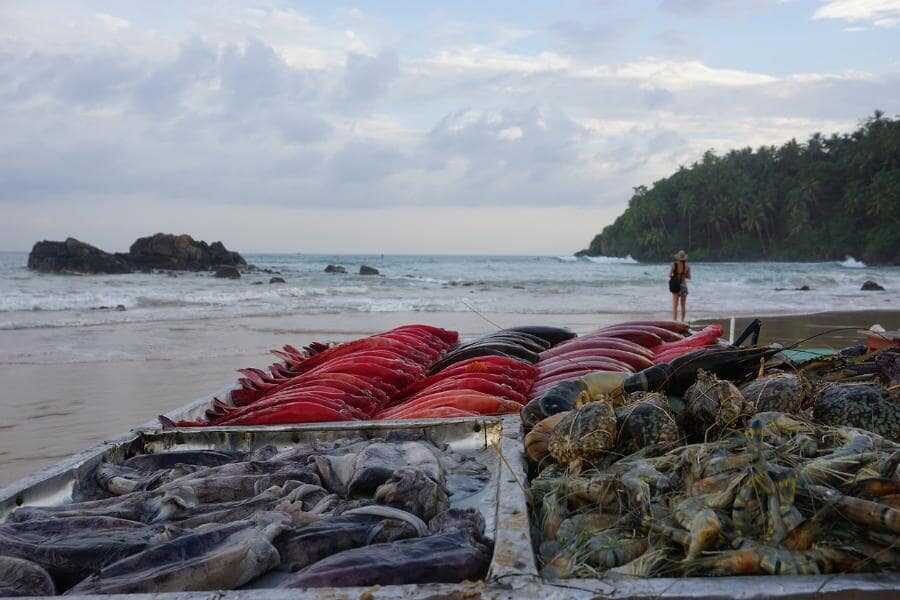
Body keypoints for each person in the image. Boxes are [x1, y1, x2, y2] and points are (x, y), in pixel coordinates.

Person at [668, 250, 691, 322]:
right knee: (683, 305)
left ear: (678, 257)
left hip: (676, 286)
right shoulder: (687, 266)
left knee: (675, 305)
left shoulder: (674, 264)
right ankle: (682, 320)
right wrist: (683, 275)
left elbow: (669, 275)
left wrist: (675, 275)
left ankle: (674, 321)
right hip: (684, 286)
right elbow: (689, 277)